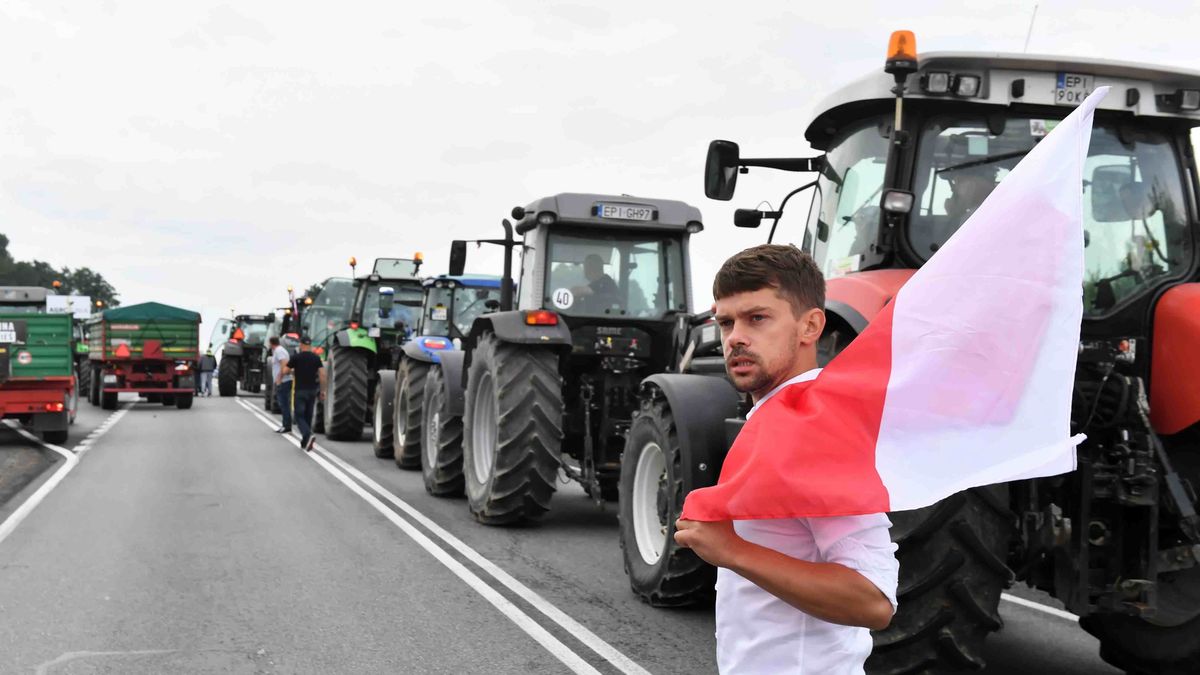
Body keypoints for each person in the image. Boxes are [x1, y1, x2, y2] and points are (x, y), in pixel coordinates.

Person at [674, 244, 898, 674]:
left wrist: (732, 550)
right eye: (726, 322)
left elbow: (872, 599)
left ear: (810, 325)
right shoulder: (779, 416)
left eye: (757, 318)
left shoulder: (814, 426)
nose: (735, 336)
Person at [281, 336, 325, 451]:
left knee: (299, 415)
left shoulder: (296, 357)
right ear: (310, 345)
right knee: (308, 416)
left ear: (301, 345)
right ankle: (305, 442)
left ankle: (308, 434)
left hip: (300, 391)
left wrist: (293, 371)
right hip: (312, 391)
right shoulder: (316, 358)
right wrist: (323, 390)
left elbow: (285, 371)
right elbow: (322, 375)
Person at [269, 336, 293, 434]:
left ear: (271, 343)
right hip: (283, 381)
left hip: (284, 381)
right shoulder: (279, 350)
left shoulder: (279, 351)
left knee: (284, 404)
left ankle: (286, 426)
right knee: (283, 403)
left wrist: (279, 378)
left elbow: (284, 364)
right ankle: (285, 424)